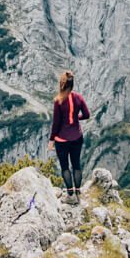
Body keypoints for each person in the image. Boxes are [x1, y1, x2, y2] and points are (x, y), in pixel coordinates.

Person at [49, 69, 90, 203]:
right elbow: (87, 115)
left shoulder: (58, 101)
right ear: (72, 85)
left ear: (62, 85)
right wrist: (75, 118)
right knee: (76, 165)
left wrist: (51, 140)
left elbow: (56, 123)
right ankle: (78, 192)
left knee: (65, 167)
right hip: (77, 137)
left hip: (62, 139)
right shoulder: (79, 97)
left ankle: (70, 195)